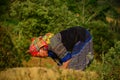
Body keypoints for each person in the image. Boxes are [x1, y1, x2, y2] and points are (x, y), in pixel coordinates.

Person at [29, 26, 94, 70]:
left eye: (39, 55)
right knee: (76, 67)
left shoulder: (53, 44)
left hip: (83, 37)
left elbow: (67, 60)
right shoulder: (51, 53)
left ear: (41, 47)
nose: (41, 57)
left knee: (73, 67)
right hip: (80, 44)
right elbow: (61, 64)